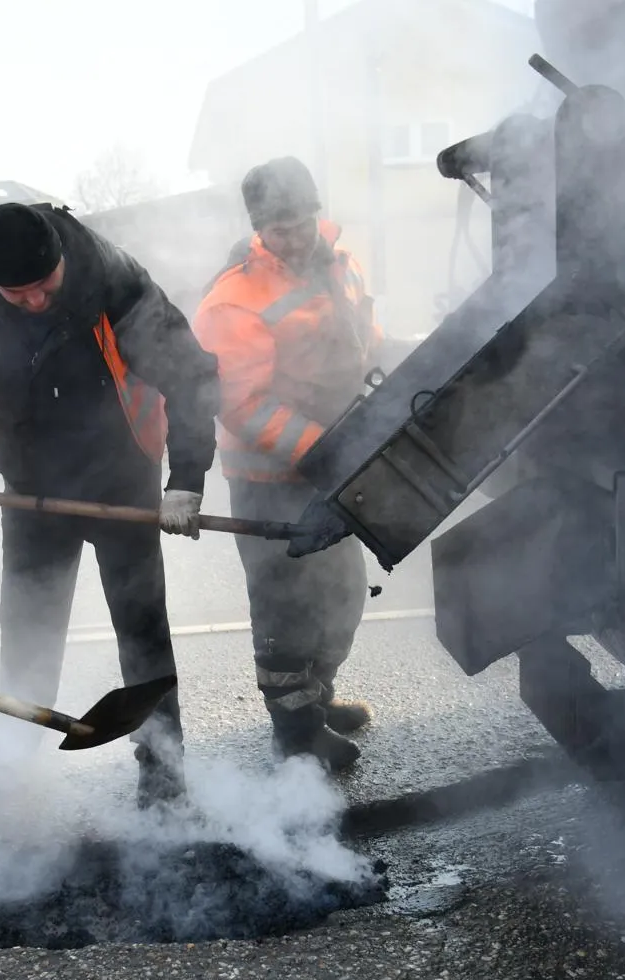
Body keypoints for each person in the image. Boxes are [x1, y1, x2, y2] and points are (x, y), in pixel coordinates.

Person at [0, 202, 219, 810]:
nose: (36, 301)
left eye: (45, 285)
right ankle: (12, 767)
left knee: (142, 625)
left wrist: (187, 480)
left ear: (61, 260)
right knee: (27, 628)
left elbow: (191, 377)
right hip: (31, 487)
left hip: (124, 475)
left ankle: (165, 775)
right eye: (18, 294)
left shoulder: (113, 278)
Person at [192, 157, 381, 773]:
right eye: (281, 229)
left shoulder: (342, 262)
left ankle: (317, 698)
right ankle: (295, 732)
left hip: (338, 470)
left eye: (302, 222)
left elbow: (362, 341)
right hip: (271, 482)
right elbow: (241, 404)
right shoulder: (235, 298)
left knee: (343, 593)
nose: (295, 238)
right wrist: (322, 450)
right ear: (258, 229)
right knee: (284, 607)